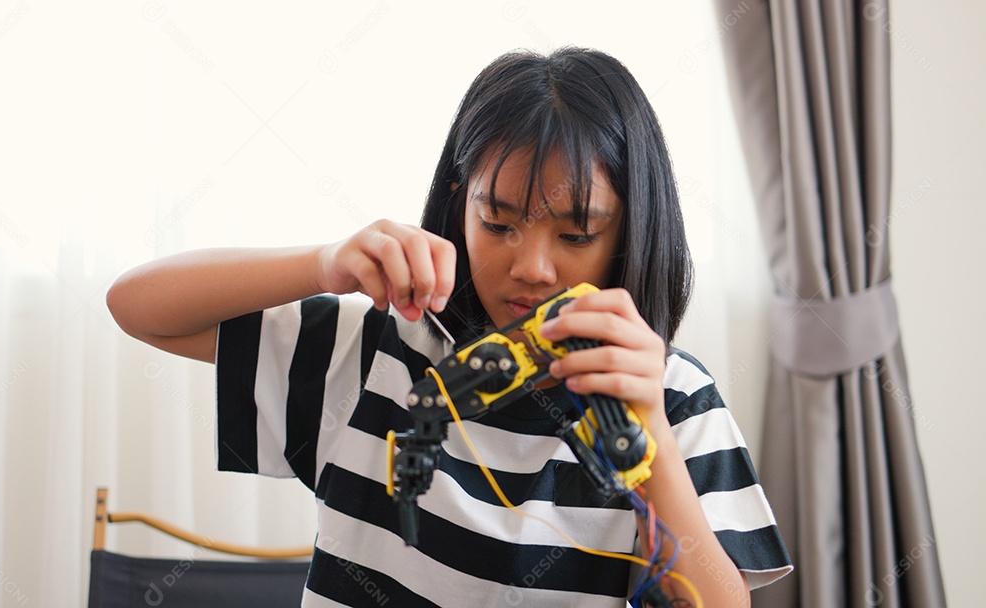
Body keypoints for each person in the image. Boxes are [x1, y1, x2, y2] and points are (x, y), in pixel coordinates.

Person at [108, 46, 792, 607]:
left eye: (577, 233)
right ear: (459, 204)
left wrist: (652, 442)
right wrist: (323, 264)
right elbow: (138, 307)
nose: (532, 267)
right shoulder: (385, 352)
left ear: (630, 233)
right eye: (498, 222)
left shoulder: (674, 400)